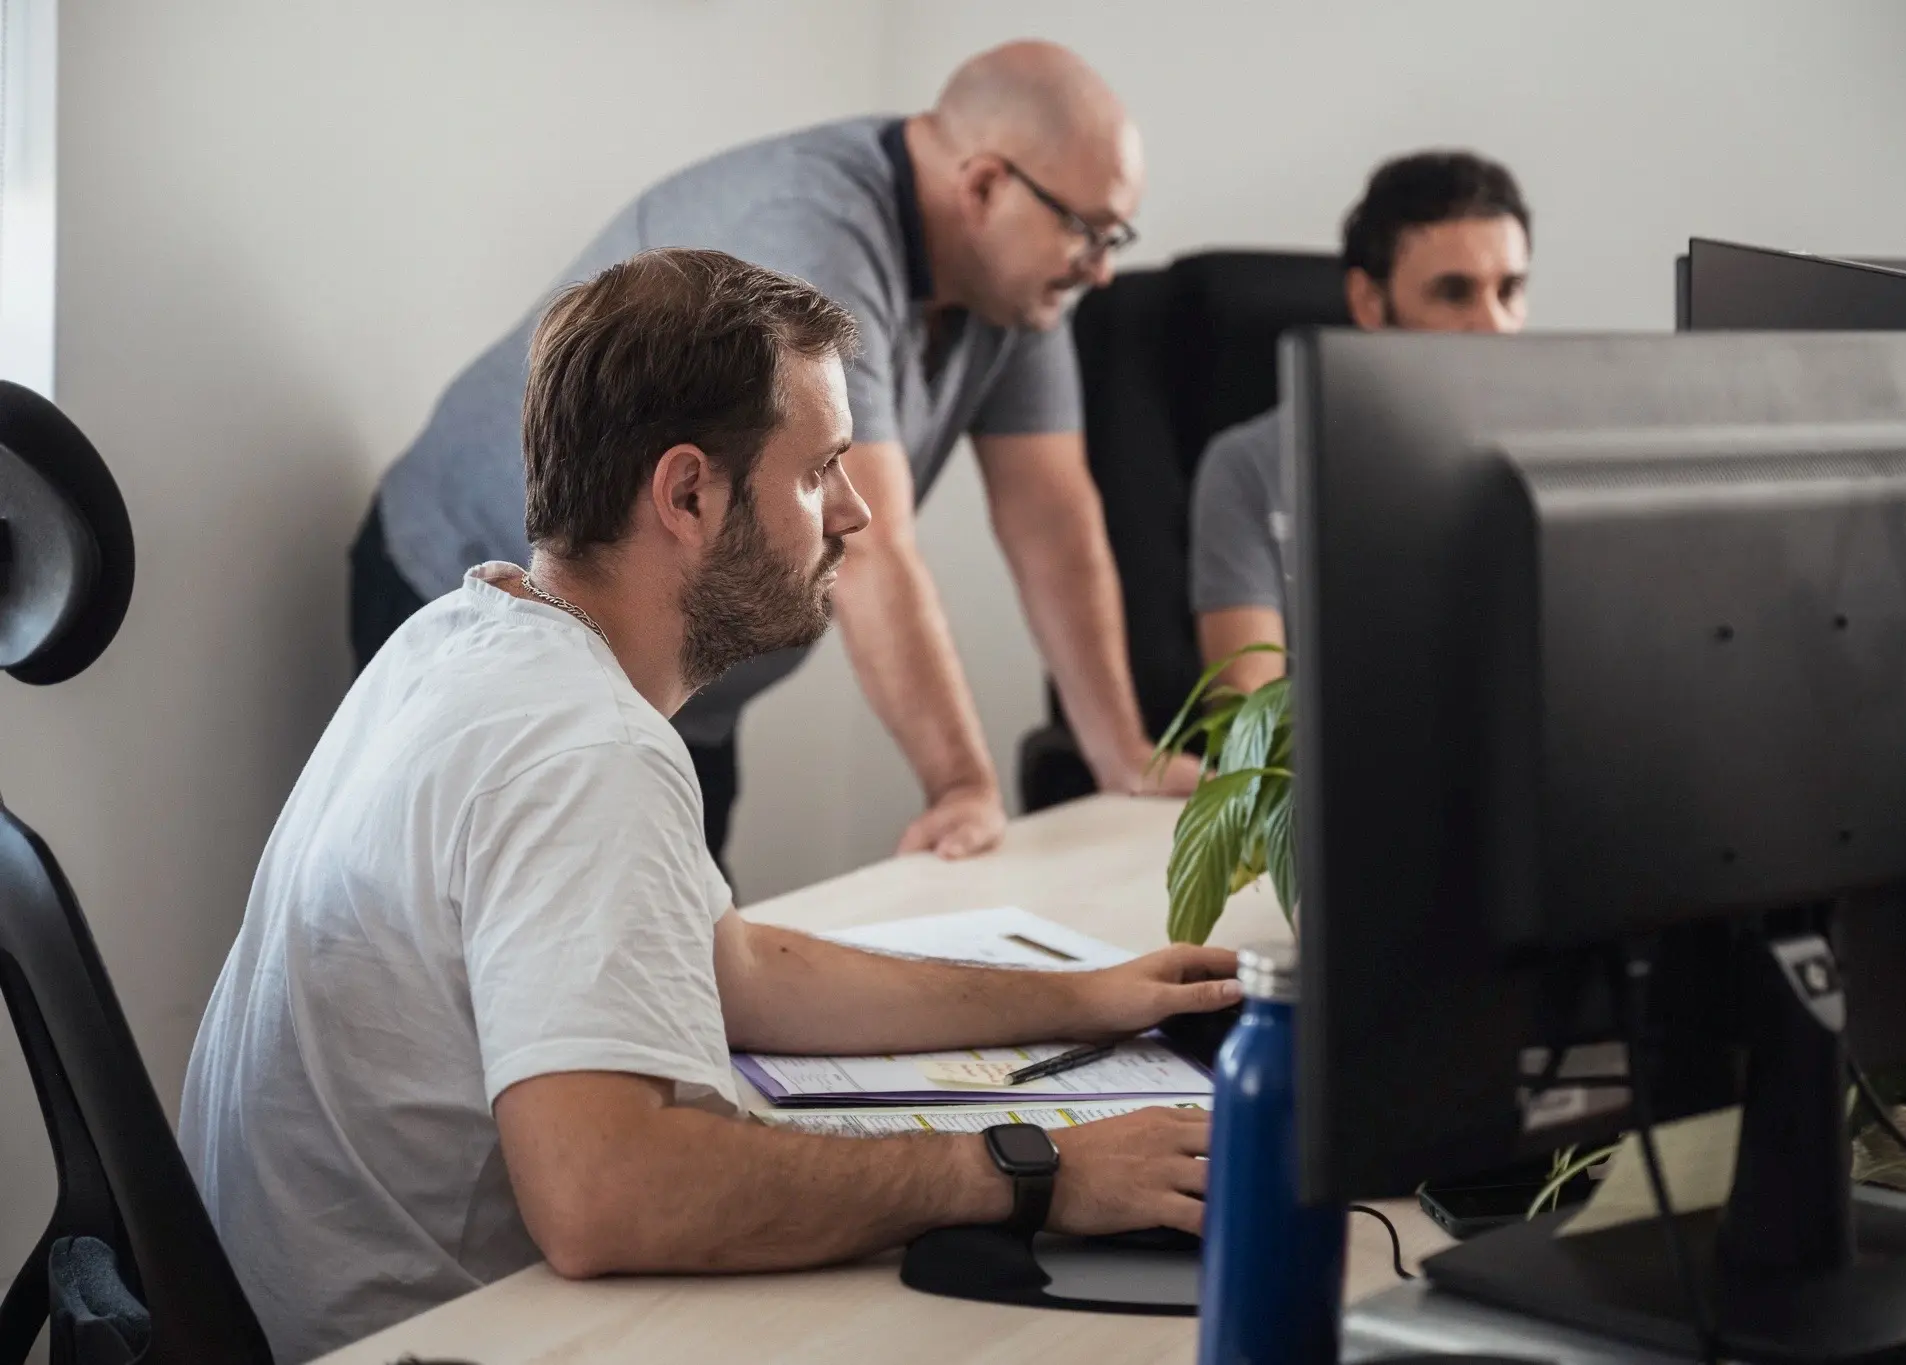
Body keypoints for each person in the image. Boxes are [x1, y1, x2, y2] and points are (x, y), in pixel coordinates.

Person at [183, 249, 1239, 1364]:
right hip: (416, 1339)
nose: (855, 512)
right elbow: (610, 1196)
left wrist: (1075, 1001)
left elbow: (727, 968)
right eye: (819, 469)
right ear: (686, 492)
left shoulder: (466, 632)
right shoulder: (584, 749)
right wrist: (1037, 1170)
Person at [353, 40, 1200, 867]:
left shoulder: (1014, 289)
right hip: (476, 595)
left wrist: (1123, 753)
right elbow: (872, 550)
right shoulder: (813, 232)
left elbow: (1052, 518)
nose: (1102, 273)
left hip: (676, 677)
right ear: (983, 185)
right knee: (501, 972)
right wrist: (962, 788)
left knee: (686, 964)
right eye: (1090, 233)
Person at [1188, 150, 1532, 694]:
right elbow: (1249, 725)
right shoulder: (1252, 466)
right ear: (1369, 302)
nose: (1493, 326)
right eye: (1454, 292)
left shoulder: (1552, 457)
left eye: (1509, 291)